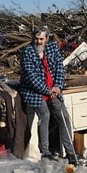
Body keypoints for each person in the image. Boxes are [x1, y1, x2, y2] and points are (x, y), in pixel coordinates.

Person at [19, 26, 78, 165]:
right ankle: (44, 152)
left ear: (46, 39)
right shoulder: (27, 51)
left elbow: (59, 68)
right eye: (36, 39)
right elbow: (31, 76)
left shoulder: (52, 48)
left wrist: (57, 86)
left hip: (53, 90)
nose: (38, 42)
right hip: (35, 92)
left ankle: (70, 152)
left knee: (63, 116)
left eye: (41, 39)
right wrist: (47, 90)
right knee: (44, 115)